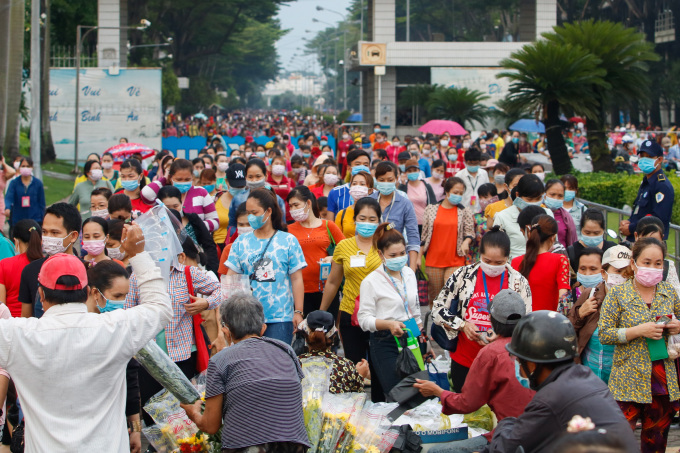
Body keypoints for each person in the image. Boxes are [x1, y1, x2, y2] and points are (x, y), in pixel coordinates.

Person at [0, 225, 172, 451]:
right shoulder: (113, 329)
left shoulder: (16, 335)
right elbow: (160, 308)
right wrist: (138, 254)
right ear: (88, 291)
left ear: (41, 295)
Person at [488, 311, 637, 453]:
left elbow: (505, 447)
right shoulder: (586, 376)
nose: (517, 365)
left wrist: (505, 423)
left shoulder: (552, 397)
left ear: (532, 364)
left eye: (518, 360)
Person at [180, 293, 309, 452]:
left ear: (226, 332)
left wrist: (192, 412)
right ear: (263, 329)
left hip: (246, 445)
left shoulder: (220, 360)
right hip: (294, 443)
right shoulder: (286, 350)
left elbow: (210, 426)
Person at [414, 290, 535, 453]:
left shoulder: (491, 353)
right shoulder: (537, 345)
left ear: (492, 320)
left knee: (435, 451)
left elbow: (467, 403)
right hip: (544, 433)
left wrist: (438, 392)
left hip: (513, 438)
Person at [126, 231, 221, 426]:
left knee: (184, 408)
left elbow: (220, 289)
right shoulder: (137, 277)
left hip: (184, 353)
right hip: (150, 356)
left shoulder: (187, 273)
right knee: (153, 410)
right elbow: (128, 312)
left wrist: (206, 303)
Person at [598, 237, 680, 452]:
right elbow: (605, 334)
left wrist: (676, 326)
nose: (652, 268)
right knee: (618, 440)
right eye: (646, 262)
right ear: (633, 264)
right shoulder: (617, 294)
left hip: (662, 379)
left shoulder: (668, 292)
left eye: (658, 263)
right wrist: (637, 331)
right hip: (627, 378)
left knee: (656, 440)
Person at [432, 227, 531, 392]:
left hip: (502, 361)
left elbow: (526, 321)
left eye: (499, 263)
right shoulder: (463, 276)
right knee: (464, 408)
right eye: (487, 261)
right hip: (465, 359)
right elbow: (438, 309)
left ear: (508, 257)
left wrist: (501, 336)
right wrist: (463, 325)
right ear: (479, 255)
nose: (492, 267)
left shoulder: (518, 282)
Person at [320, 198, 383, 398]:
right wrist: (322, 312)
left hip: (380, 315)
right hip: (350, 314)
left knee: (379, 367)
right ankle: (353, 414)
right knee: (354, 367)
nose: (367, 223)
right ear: (354, 220)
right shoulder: (344, 246)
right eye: (362, 218)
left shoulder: (384, 245)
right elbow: (333, 282)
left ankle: (380, 410)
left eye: (372, 219)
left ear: (379, 221)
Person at [225, 189, 306, 344]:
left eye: (254, 212)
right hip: (246, 318)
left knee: (277, 362)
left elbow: (297, 279)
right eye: (248, 212)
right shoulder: (241, 242)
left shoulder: (288, 241)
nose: (250, 217)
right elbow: (230, 280)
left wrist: (298, 311)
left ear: (268, 211)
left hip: (280, 317)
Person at [357, 224, 423, 396]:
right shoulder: (371, 281)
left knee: (417, 392)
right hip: (385, 340)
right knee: (398, 394)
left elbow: (414, 310)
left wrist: (422, 337)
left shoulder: (408, 273)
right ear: (381, 254)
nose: (399, 258)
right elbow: (364, 320)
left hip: (411, 337)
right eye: (393, 255)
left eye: (402, 253)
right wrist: (389, 324)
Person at [84, 260, 142, 452]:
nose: (122, 303)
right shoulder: (78, 328)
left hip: (112, 429)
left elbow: (130, 380)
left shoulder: (120, 327)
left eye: (125, 296)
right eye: (117, 296)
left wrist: (136, 429)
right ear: (95, 293)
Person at [568, 245, 631, 385]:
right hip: (589, 380)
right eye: (618, 271)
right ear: (604, 273)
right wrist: (580, 314)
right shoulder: (589, 295)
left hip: (622, 385)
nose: (622, 277)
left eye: (627, 274)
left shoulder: (637, 302)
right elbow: (567, 331)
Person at [287, 186, 345, 316]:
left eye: (296, 205)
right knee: (304, 332)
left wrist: (333, 258)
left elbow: (345, 249)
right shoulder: (288, 230)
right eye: (290, 206)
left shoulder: (328, 226)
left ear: (308, 203)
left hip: (327, 289)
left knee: (327, 332)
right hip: (299, 291)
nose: (293, 210)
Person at [19, 203, 84, 319]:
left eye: (55, 233)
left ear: (73, 236)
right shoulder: (30, 270)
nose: (48, 237)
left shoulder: (87, 270)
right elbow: (26, 318)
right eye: (44, 232)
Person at [421, 177, 475, 306]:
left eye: (461, 193)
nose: (458, 196)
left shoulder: (464, 211)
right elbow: (424, 236)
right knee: (435, 297)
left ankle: (450, 323)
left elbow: (470, 232)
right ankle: (435, 324)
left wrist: (466, 242)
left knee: (451, 294)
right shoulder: (431, 209)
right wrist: (418, 257)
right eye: (455, 192)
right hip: (433, 261)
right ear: (447, 191)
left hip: (456, 260)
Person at [298, 310, 367, 394]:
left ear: (305, 336)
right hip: (337, 407)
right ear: (334, 336)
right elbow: (356, 398)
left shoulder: (295, 364)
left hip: (302, 407)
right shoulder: (346, 365)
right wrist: (359, 376)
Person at [143, 158, 219, 232]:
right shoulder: (164, 192)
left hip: (197, 242)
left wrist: (194, 227)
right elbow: (146, 194)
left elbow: (215, 222)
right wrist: (164, 179)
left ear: (192, 177)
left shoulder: (201, 192)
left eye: (187, 179)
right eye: (179, 179)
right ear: (171, 178)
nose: (183, 182)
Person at [512, 214, 570, 312]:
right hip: (550, 321)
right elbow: (564, 297)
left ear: (530, 233)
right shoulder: (560, 260)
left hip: (523, 322)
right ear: (553, 237)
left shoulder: (516, 262)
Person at [620, 140, 674, 241]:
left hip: (650, 243)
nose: (644, 160)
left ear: (659, 160)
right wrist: (628, 222)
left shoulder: (662, 186)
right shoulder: (646, 182)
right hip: (636, 240)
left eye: (649, 157)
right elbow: (640, 212)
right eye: (642, 156)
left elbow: (657, 220)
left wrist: (631, 228)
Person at [370, 162, 420, 271]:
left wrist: (411, 269)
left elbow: (413, 236)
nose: (386, 183)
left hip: (396, 259)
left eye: (390, 180)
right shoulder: (369, 201)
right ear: (376, 179)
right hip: (371, 258)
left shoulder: (405, 203)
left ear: (396, 179)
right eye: (382, 180)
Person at [492, 174, 553, 259]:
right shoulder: (502, 217)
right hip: (515, 267)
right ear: (517, 195)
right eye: (529, 199)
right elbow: (496, 249)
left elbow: (553, 243)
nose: (534, 203)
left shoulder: (548, 214)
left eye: (538, 199)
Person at [227, 159, 287, 229]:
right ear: (245, 177)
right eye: (250, 177)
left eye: (258, 176)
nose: (254, 180)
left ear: (266, 176)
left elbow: (282, 225)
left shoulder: (276, 199)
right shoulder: (238, 199)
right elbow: (232, 226)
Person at [0, 220, 42, 317]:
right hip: (40, 323)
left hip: (12, 324)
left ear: (16, 241)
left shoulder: (4, 264)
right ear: (41, 240)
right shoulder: (48, 264)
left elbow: (1, 304)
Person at [634, 216, 680, 295]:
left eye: (655, 241)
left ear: (662, 238)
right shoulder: (624, 262)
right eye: (646, 241)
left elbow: (677, 296)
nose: (651, 246)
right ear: (636, 236)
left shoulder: (668, 267)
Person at [566, 208, 617, 273]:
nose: (591, 236)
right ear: (581, 229)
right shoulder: (571, 252)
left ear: (603, 230)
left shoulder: (612, 250)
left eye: (596, 233)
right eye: (587, 233)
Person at [5, 157, 45, 234]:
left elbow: (42, 203)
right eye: (23, 166)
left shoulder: (38, 183)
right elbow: (9, 197)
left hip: (35, 220)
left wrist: (43, 218)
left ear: (32, 167)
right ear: (19, 168)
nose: (25, 168)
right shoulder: (14, 183)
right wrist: (7, 208)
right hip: (18, 220)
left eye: (28, 166)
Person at [327, 150, 371, 214]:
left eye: (365, 165)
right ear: (349, 168)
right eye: (357, 164)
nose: (362, 167)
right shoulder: (335, 192)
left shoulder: (374, 194)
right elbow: (330, 222)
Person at [399, 159, 436, 229]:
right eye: (409, 171)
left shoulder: (426, 186)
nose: (412, 172)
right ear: (406, 172)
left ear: (419, 171)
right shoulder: (403, 187)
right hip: (409, 225)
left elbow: (434, 205)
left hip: (426, 225)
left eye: (414, 170)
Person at [335, 171, 374, 238]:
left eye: (362, 184)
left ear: (370, 190)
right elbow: (337, 239)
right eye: (354, 184)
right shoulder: (342, 214)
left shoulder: (376, 212)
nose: (357, 187)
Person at [543, 179, 578, 248]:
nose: (556, 198)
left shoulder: (567, 217)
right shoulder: (537, 213)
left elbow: (572, 242)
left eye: (560, 196)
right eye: (552, 194)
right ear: (544, 194)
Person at [454, 148, 490, 213]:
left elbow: (487, 191)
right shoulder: (459, 175)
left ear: (479, 162)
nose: (473, 166)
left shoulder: (484, 173)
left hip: (480, 211)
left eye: (475, 163)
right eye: (470, 163)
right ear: (465, 161)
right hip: (463, 210)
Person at [560, 174, 586, 241]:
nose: (567, 191)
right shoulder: (554, 208)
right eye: (565, 188)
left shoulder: (582, 209)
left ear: (576, 190)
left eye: (571, 188)